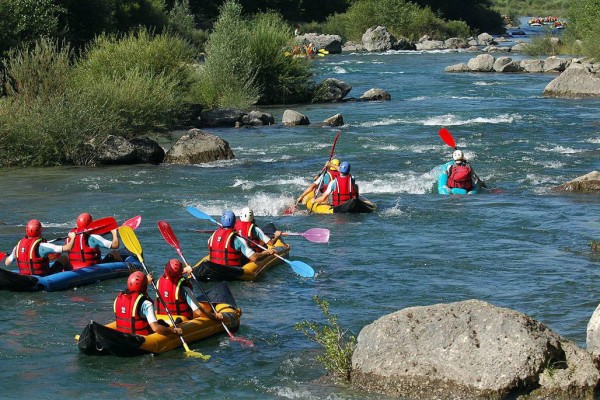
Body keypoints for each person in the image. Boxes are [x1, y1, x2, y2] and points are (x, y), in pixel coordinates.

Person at [114, 271, 183, 336]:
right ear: (144, 286)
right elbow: (155, 328)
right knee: (163, 323)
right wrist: (173, 331)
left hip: (124, 334)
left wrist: (145, 281)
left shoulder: (118, 299)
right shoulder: (146, 303)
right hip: (142, 338)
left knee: (161, 322)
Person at [156, 259, 223, 322]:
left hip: (162, 317)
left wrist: (185, 270)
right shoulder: (183, 286)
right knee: (207, 307)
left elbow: (172, 275)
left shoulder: (159, 281)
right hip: (181, 320)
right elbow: (198, 311)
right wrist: (214, 317)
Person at [206, 210, 276, 268]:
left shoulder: (212, 236)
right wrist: (266, 252)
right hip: (231, 270)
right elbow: (254, 258)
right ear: (234, 222)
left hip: (215, 266)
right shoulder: (238, 240)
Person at [4, 219, 73, 276]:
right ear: (40, 230)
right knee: (64, 258)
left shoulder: (17, 247)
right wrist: (73, 237)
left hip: (25, 275)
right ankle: (71, 276)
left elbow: (7, 263)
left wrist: (13, 255)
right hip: (43, 276)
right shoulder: (43, 245)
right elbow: (68, 248)